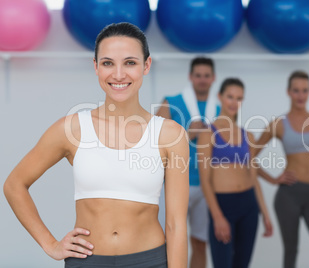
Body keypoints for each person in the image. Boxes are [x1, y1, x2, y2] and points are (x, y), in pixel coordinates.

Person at [3, 22, 189, 268]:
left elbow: (176, 224)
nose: (119, 74)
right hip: (86, 262)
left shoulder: (170, 134)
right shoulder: (71, 129)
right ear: (96, 67)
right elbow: (14, 185)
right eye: (108, 63)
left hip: (149, 261)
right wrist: (50, 244)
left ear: (146, 65)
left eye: (130, 62)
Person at [254, 71, 309, 268]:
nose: (301, 95)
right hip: (288, 196)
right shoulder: (278, 124)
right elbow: (248, 157)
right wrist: (273, 179)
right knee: (291, 252)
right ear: (288, 92)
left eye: (305, 90)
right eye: (296, 91)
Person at [197, 78, 273, 268]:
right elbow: (205, 181)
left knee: (242, 264)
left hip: (248, 205)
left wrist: (265, 213)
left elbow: (253, 178)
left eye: (239, 98)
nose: (233, 102)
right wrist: (217, 216)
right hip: (223, 205)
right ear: (220, 97)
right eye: (230, 96)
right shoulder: (208, 134)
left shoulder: (248, 135)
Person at [156, 57, 220, 268]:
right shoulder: (171, 102)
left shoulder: (220, 109)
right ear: (190, 77)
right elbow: (152, 141)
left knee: (200, 243)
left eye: (206, 76)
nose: (202, 80)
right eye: (198, 75)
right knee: (168, 242)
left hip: (206, 186)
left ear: (213, 78)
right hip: (175, 184)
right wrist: (186, 134)